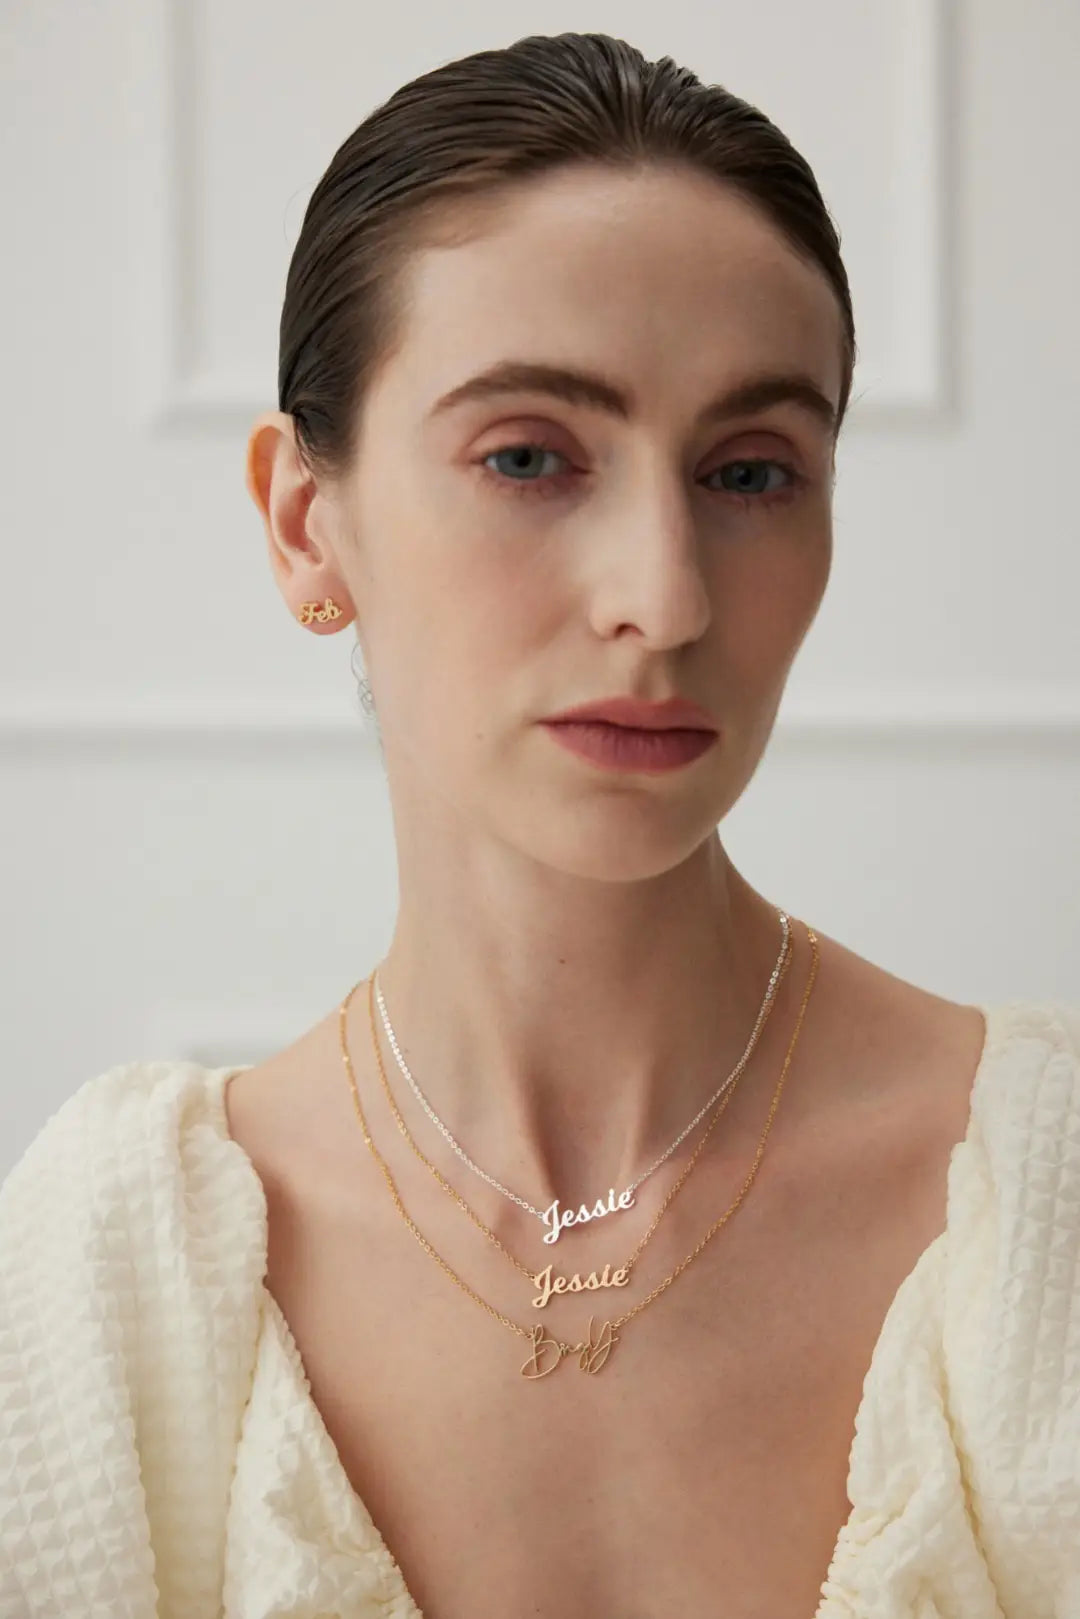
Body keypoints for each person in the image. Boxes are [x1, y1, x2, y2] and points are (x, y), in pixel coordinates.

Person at [1, 29, 1078, 1619]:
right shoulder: (114, 1268)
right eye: (527, 456)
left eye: (751, 473)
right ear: (305, 523)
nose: (665, 596)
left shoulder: (1044, 1211)